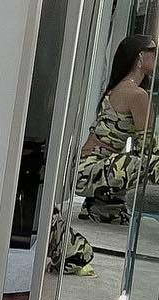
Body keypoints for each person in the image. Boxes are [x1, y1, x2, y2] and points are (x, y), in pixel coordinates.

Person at [48, 33, 158, 277]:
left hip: (83, 170)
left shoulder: (118, 88)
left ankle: (103, 207)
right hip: (89, 172)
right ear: (140, 57)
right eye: (154, 51)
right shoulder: (138, 95)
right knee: (148, 163)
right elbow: (149, 149)